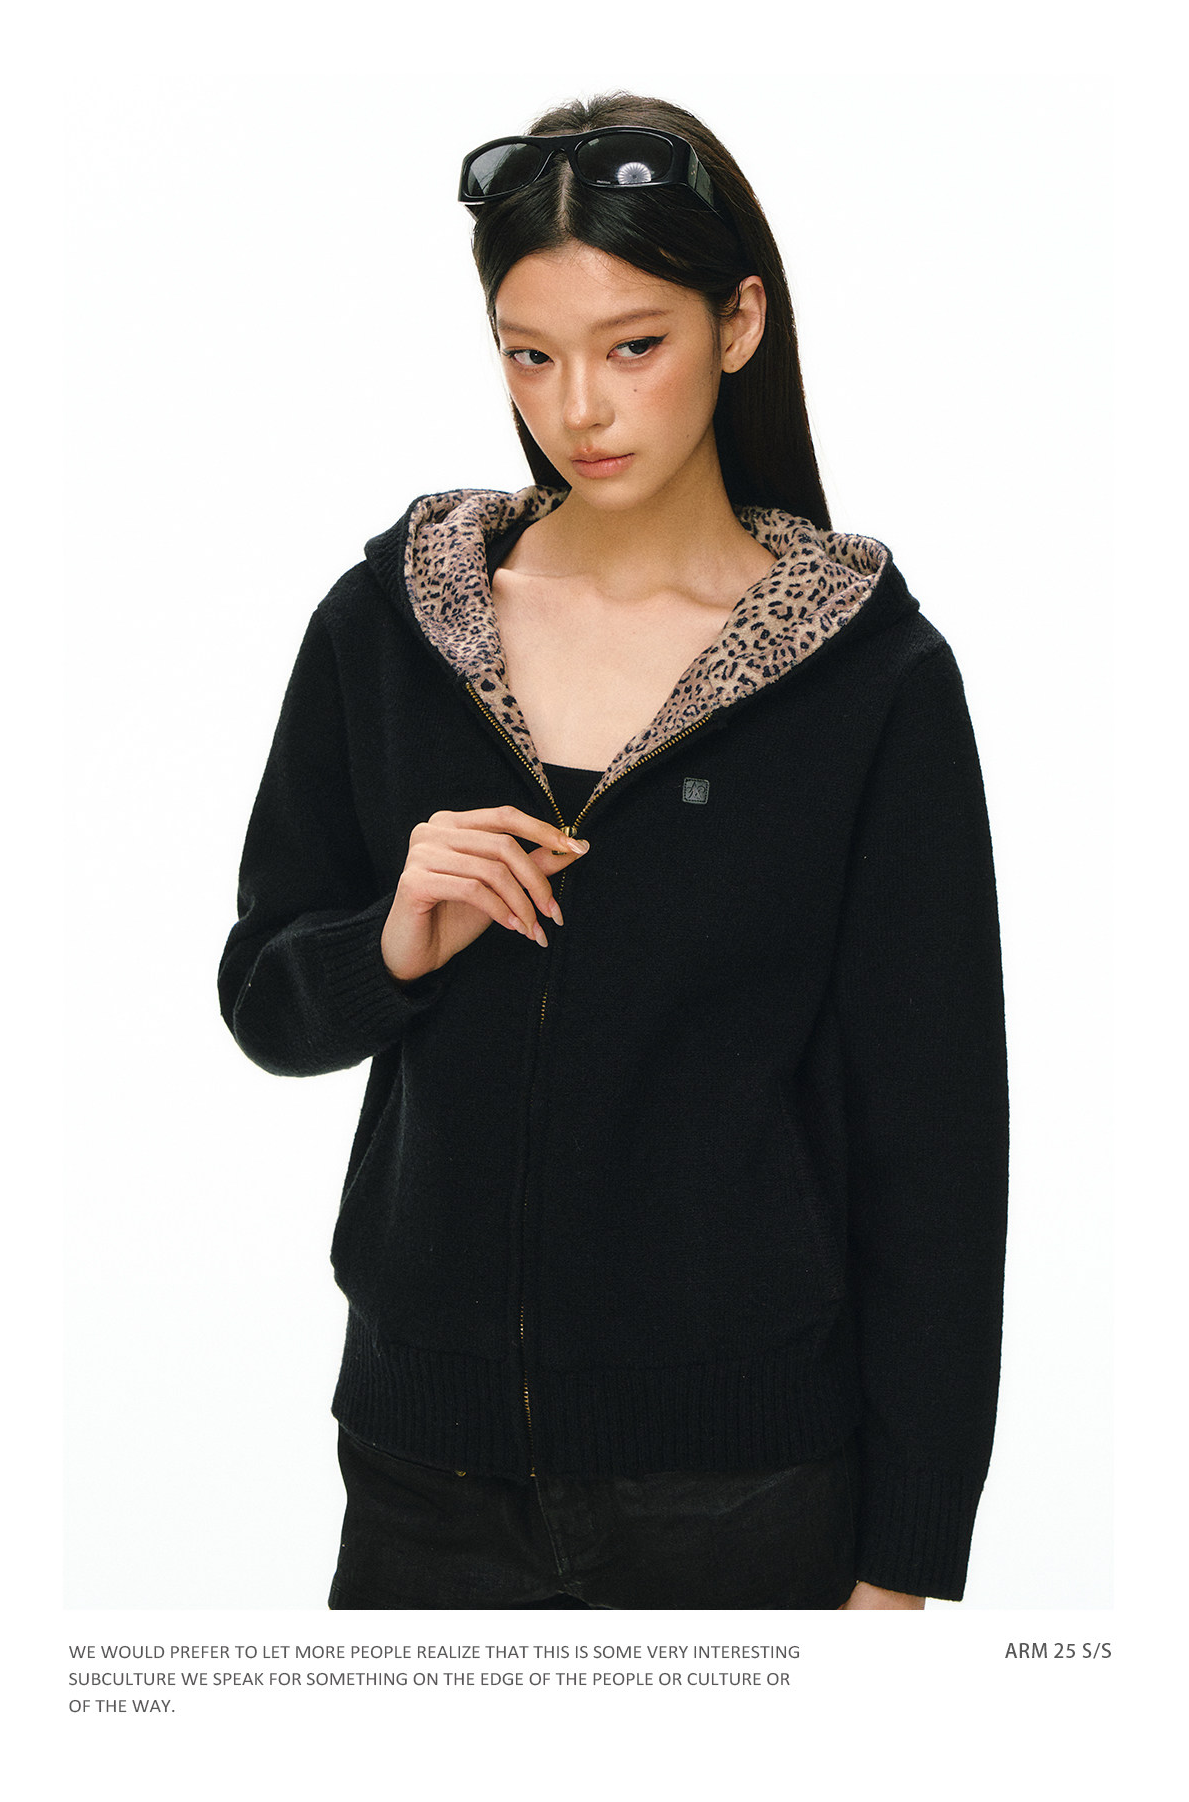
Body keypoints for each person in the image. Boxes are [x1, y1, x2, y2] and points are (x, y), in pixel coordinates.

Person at [217, 91, 1009, 1611]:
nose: (578, 407)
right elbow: (264, 1000)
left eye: (632, 345)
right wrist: (389, 940)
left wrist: (908, 1560)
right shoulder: (389, 629)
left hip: (746, 1496)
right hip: (423, 1482)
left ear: (738, 322)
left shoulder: (871, 684)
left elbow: (938, 1150)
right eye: (530, 354)